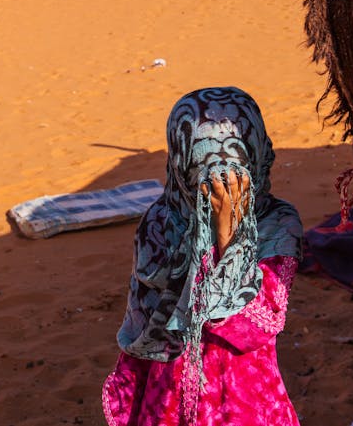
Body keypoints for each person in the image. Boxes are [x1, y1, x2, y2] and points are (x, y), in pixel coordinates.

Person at [102, 86, 303, 426]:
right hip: (166, 389)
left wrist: (231, 237)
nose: (220, 185)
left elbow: (254, 325)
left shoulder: (277, 226)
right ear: (181, 164)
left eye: (233, 170)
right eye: (205, 168)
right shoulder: (161, 222)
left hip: (242, 398)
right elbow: (148, 324)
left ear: (255, 158)